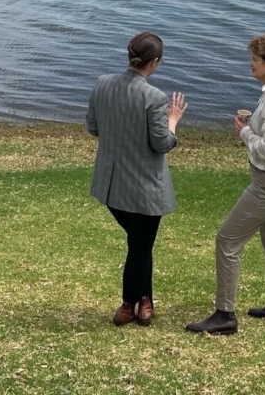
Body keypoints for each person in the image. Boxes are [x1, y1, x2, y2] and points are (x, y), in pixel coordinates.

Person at [186, 33, 265, 335]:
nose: (250, 63)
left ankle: (224, 314)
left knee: (227, 241)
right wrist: (254, 126)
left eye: (255, 59)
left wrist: (244, 134)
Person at [86, 31, 187, 327]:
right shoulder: (154, 98)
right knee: (141, 245)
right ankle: (129, 304)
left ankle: (146, 302)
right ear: (154, 62)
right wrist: (173, 120)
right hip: (145, 189)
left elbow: (93, 128)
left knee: (140, 242)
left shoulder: (102, 84)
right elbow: (162, 144)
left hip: (112, 186)